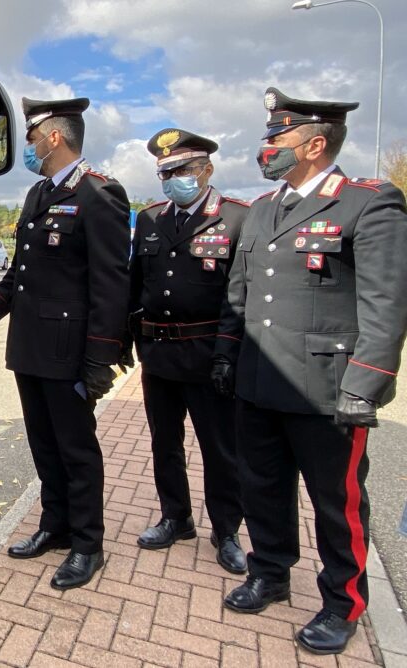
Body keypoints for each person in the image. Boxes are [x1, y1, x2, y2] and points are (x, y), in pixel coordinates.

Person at [213, 87, 407, 655]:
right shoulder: (264, 209)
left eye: (277, 137)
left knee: (336, 504)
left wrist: (364, 383)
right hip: (258, 382)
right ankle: (269, 573)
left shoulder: (367, 203)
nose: (266, 147)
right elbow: (238, 293)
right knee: (262, 488)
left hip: (328, 391)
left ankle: (343, 603)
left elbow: (385, 304)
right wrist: (227, 354)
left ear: (315, 143)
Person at [0, 97, 131, 590]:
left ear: (53, 137)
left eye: (30, 138)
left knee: (76, 450)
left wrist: (100, 360)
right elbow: (20, 274)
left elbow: (112, 286)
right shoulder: (36, 195)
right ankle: (55, 525)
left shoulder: (99, 193)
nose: (27, 147)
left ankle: (88, 545)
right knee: (44, 446)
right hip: (30, 348)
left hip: (70, 352)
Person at [128, 129, 248, 574]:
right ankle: (175, 517)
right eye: (166, 172)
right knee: (165, 443)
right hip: (159, 354)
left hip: (208, 354)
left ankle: (227, 529)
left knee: (220, 448)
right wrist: (131, 339)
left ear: (206, 169)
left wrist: (226, 354)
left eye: (181, 170)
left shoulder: (235, 217)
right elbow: (136, 283)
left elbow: (240, 297)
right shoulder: (151, 219)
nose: (173, 178)